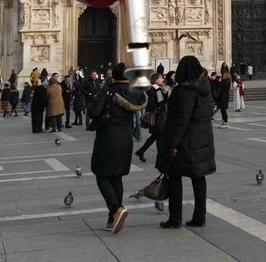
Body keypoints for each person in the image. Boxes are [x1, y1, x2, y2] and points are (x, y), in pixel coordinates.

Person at [157, 55, 216, 229]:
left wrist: (173, 144)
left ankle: (175, 218)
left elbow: (182, 120)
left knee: (174, 176)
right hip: (203, 137)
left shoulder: (185, 91)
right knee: (199, 177)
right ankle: (200, 216)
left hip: (186, 140)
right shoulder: (205, 87)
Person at [88, 63, 146, 234]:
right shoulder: (135, 92)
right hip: (125, 138)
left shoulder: (110, 91)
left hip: (108, 138)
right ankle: (113, 218)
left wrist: (103, 89)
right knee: (116, 177)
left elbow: (93, 112)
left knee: (102, 176)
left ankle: (117, 209)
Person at [135, 75, 168, 163]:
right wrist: (158, 111)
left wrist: (165, 94)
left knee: (156, 136)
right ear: (156, 80)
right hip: (157, 116)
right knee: (159, 136)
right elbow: (154, 102)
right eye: (160, 78)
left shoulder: (158, 89)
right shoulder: (154, 89)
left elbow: (161, 102)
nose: (162, 79)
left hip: (159, 115)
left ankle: (141, 151)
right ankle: (161, 156)